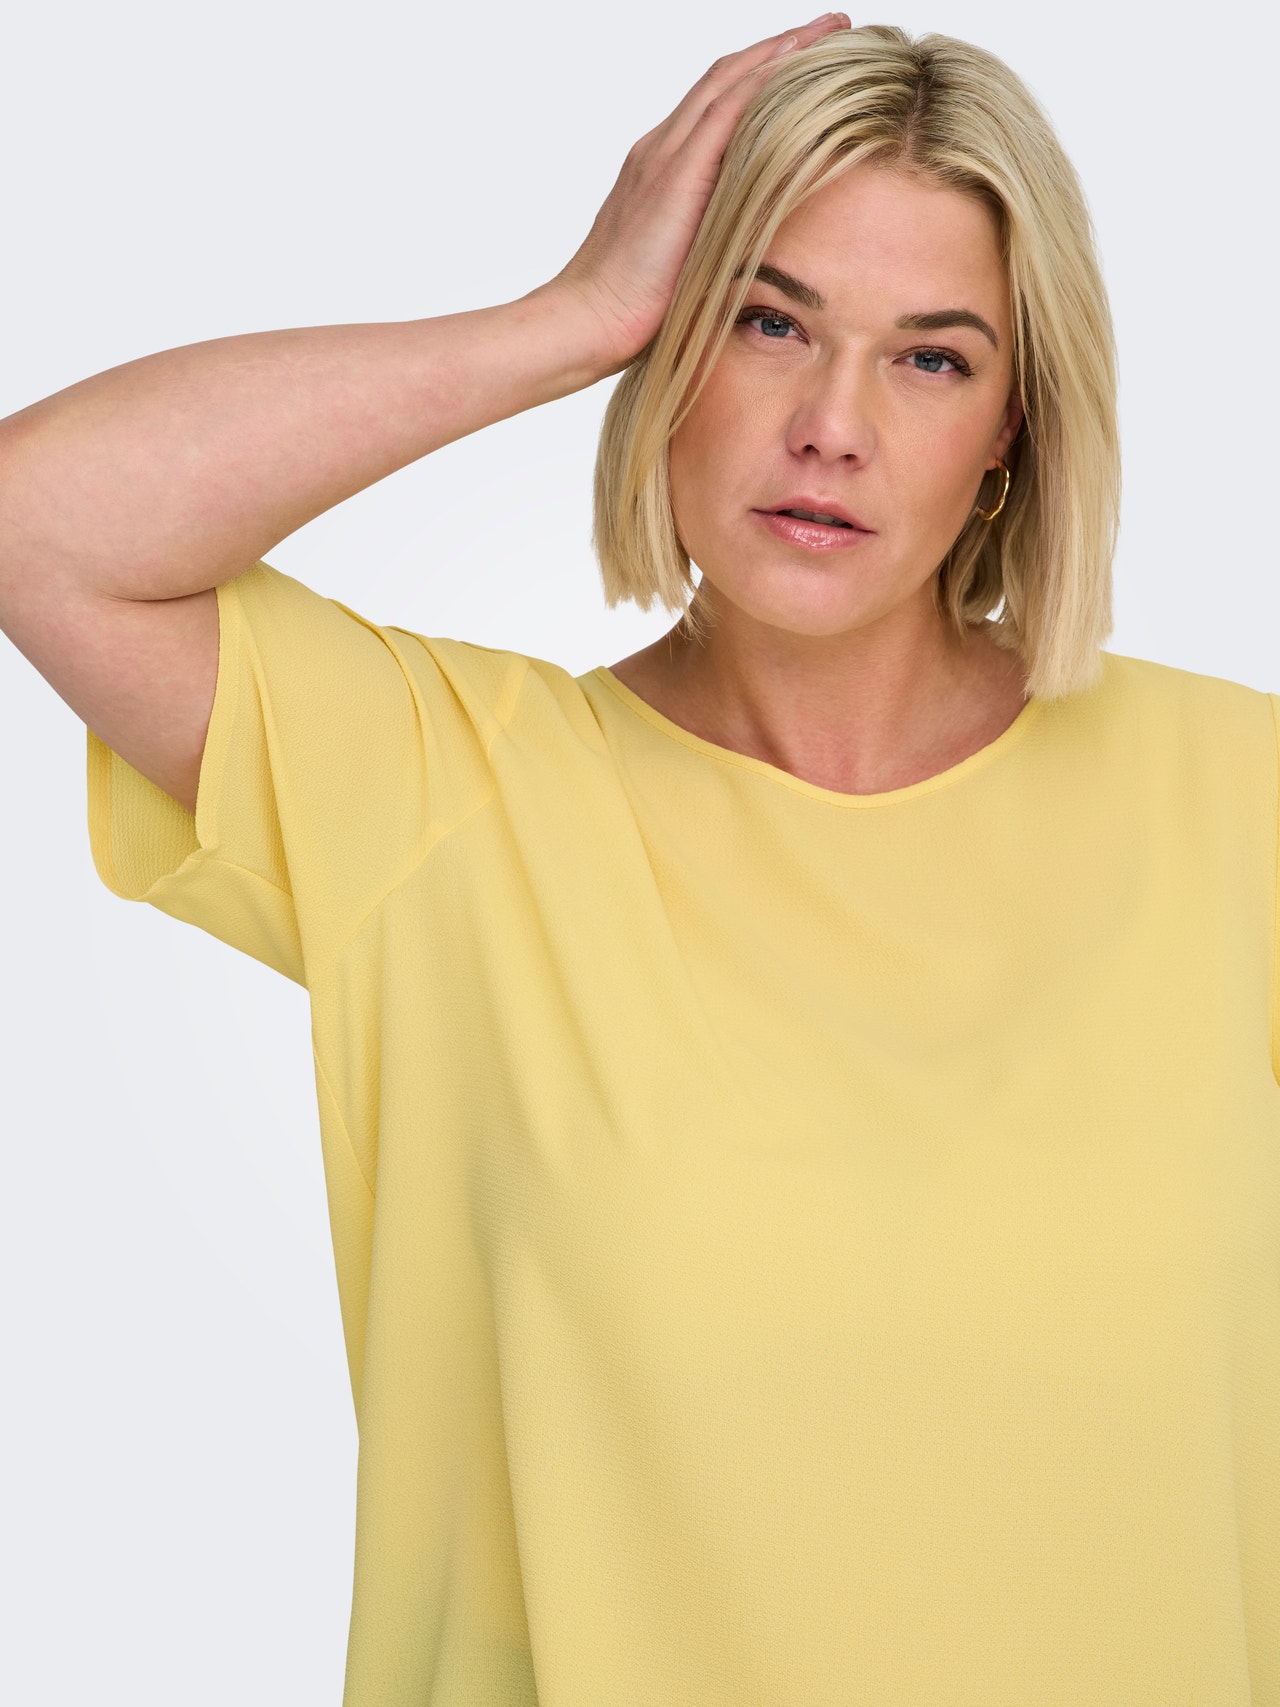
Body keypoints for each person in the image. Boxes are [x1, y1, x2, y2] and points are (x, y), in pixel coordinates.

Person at [1, 14, 1277, 1704]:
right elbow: (42, 520)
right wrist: (569, 317)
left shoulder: (1242, 802)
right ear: (672, 354)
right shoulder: (456, 801)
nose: (832, 426)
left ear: (1012, 432)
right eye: (767, 319)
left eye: (931, 359)